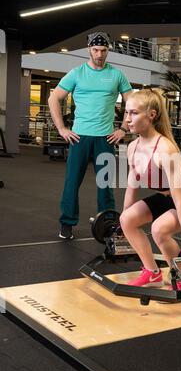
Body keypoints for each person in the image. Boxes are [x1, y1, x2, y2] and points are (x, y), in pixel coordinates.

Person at [119, 89, 181, 290]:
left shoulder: (165, 150)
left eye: (134, 113)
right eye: (126, 112)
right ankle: (152, 273)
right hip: (168, 197)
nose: (127, 119)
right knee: (127, 219)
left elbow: (180, 200)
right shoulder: (132, 147)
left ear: (152, 115)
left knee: (159, 230)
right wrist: (122, 225)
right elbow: (131, 188)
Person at [48, 32, 132, 240]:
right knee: (72, 183)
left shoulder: (117, 75)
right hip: (79, 138)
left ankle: (109, 224)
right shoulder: (77, 73)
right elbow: (54, 98)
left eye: (104, 50)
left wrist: (124, 129)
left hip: (105, 138)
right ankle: (67, 223)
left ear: (108, 50)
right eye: (96, 50)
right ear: (89, 49)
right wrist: (62, 128)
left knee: (105, 185)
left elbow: (133, 103)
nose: (100, 54)